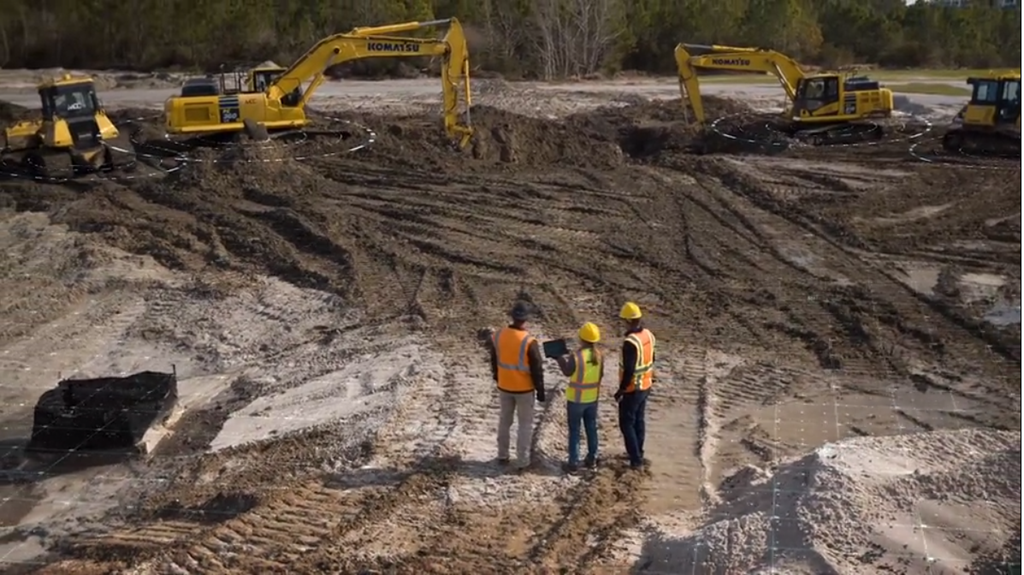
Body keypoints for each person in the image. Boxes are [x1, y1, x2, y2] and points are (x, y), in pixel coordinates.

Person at [491, 301, 546, 470]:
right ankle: (522, 461)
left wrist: (498, 377)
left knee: (504, 421)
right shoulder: (529, 341)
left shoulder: (498, 336)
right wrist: (540, 390)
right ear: (526, 319)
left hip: (504, 386)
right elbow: (537, 368)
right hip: (524, 389)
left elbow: (494, 361)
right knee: (524, 425)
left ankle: (502, 455)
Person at [556, 322, 604, 473]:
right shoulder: (600, 356)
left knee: (575, 431)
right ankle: (592, 459)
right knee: (591, 428)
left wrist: (559, 358)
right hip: (592, 399)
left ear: (581, 338)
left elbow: (567, 372)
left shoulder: (576, 356)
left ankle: (573, 463)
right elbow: (600, 376)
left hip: (576, 400)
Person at [615, 302, 656, 471]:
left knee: (626, 423)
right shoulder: (648, 335)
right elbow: (652, 358)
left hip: (633, 388)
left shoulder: (630, 342)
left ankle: (635, 460)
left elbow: (629, 369)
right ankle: (638, 451)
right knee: (639, 420)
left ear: (626, 320)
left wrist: (621, 390)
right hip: (646, 384)